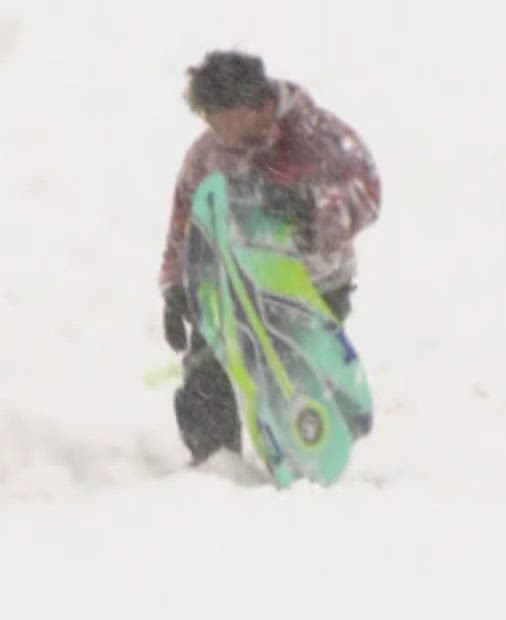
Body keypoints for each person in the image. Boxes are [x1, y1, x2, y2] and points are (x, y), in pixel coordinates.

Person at [158, 50, 381, 464]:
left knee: (296, 378)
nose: (226, 140)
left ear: (260, 105)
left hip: (311, 286)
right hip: (231, 286)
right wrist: (175, 287)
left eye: (238, 130)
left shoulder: (319, 137)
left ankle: (308, 458)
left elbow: (367, 196)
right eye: (214, 123)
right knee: (208, 373)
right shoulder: (208, 153)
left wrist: (310, 208)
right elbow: (186, 218)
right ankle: (214, 462)